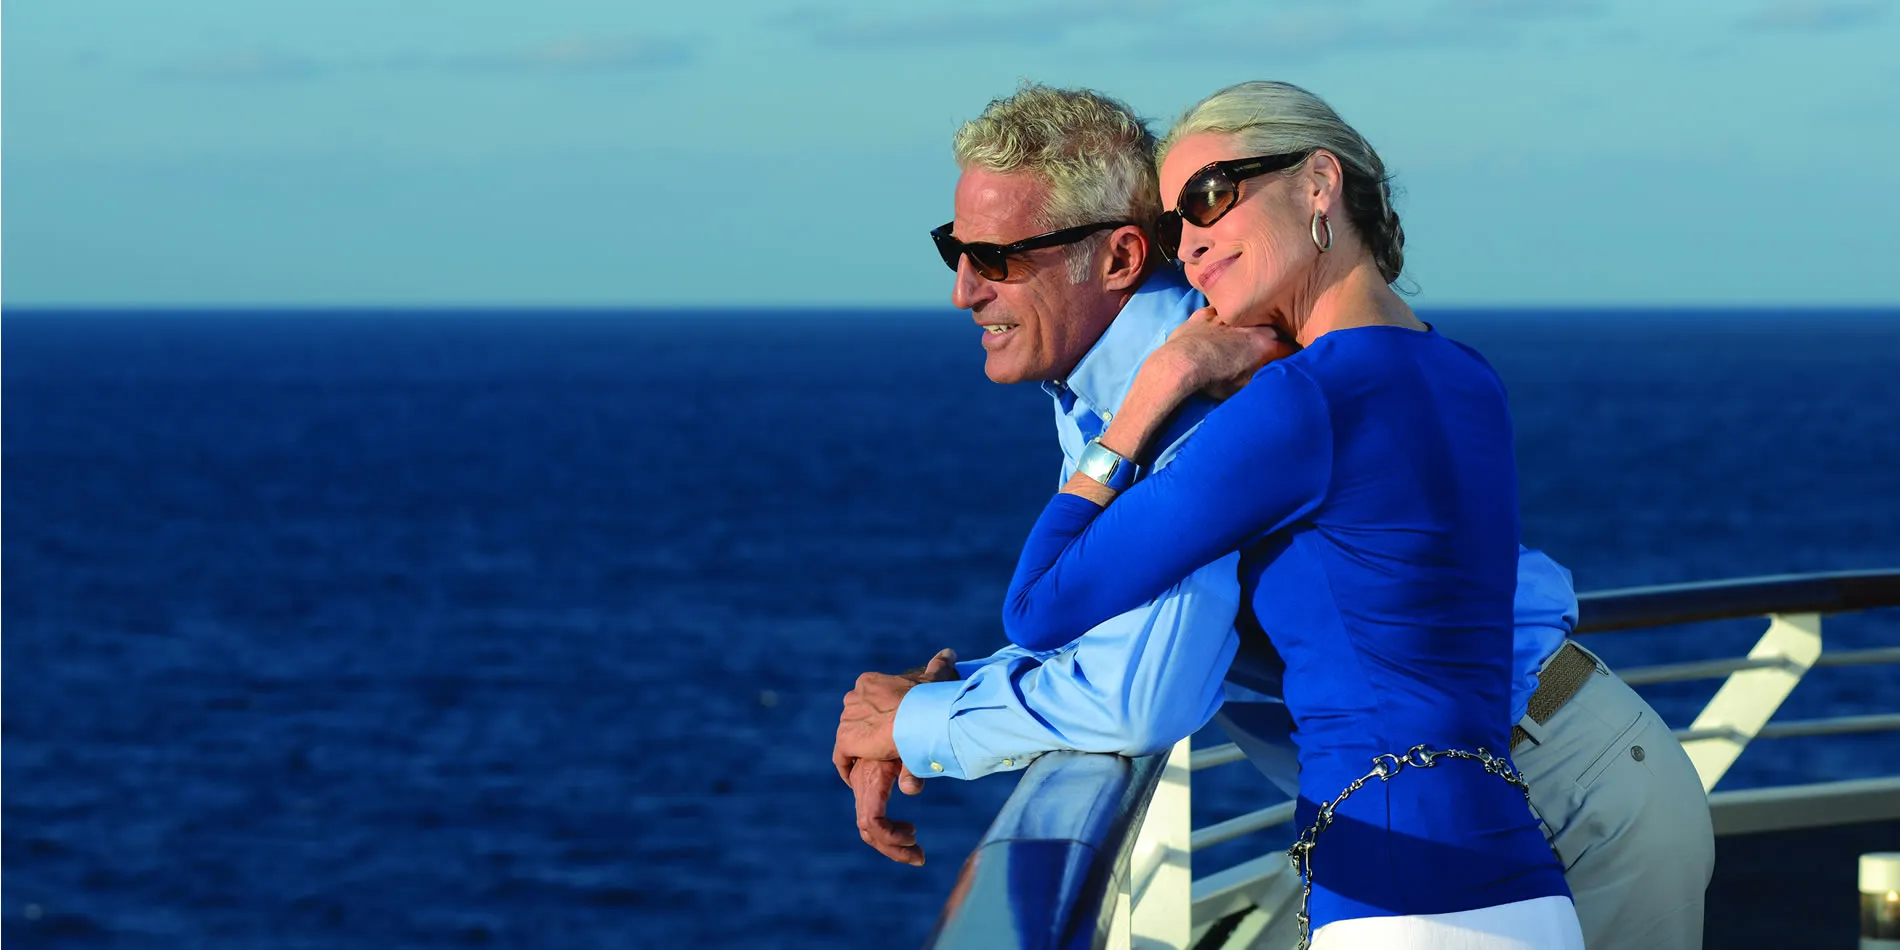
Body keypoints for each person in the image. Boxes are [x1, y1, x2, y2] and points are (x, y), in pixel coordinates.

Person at [832, 82, 1713, 949]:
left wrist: (916, 725)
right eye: (956, 248)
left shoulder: (1241, 396)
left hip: (1530, 796)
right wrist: (953, 694)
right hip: (1500, 806)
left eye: (996, 258)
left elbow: (1118, 670)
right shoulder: (1441, 364)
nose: (963, 290)